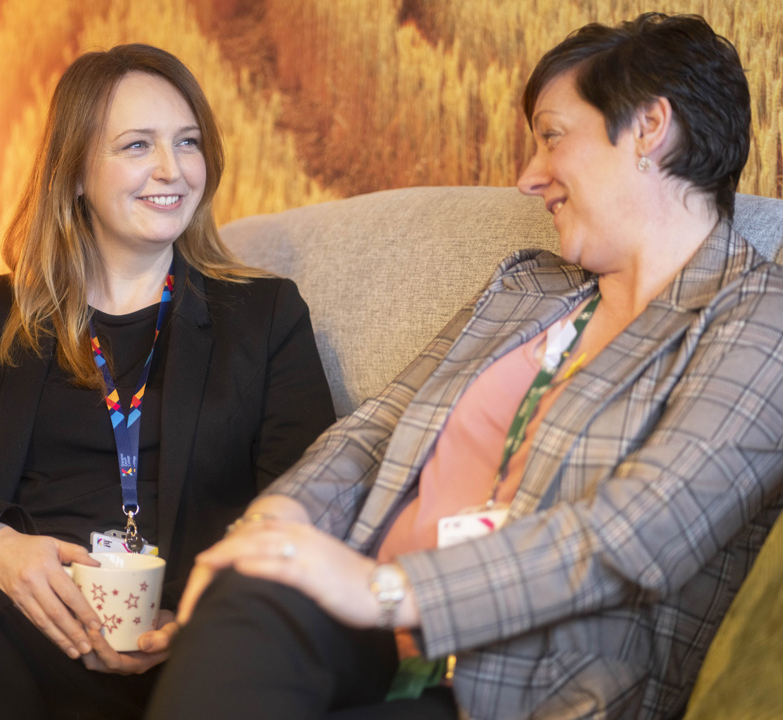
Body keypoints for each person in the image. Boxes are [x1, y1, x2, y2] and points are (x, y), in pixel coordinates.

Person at [146, 13, 783, 720]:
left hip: (520, 681)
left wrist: (382, 589)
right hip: (365, 625)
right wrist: (274, 528)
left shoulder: (760, 317)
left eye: (552, 136)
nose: (529, 177)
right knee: (245, 594)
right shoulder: (530, 287)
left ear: (649, 128)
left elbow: (636, 532)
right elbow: (375, 430)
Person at [0, 43, 334, 720]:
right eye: (137, 145)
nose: (172, 169)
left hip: (170, 640)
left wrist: (198, 617)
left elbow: (310, 505)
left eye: (188, 142)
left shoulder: (264, 316)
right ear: (75, 171)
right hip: (7, 612)